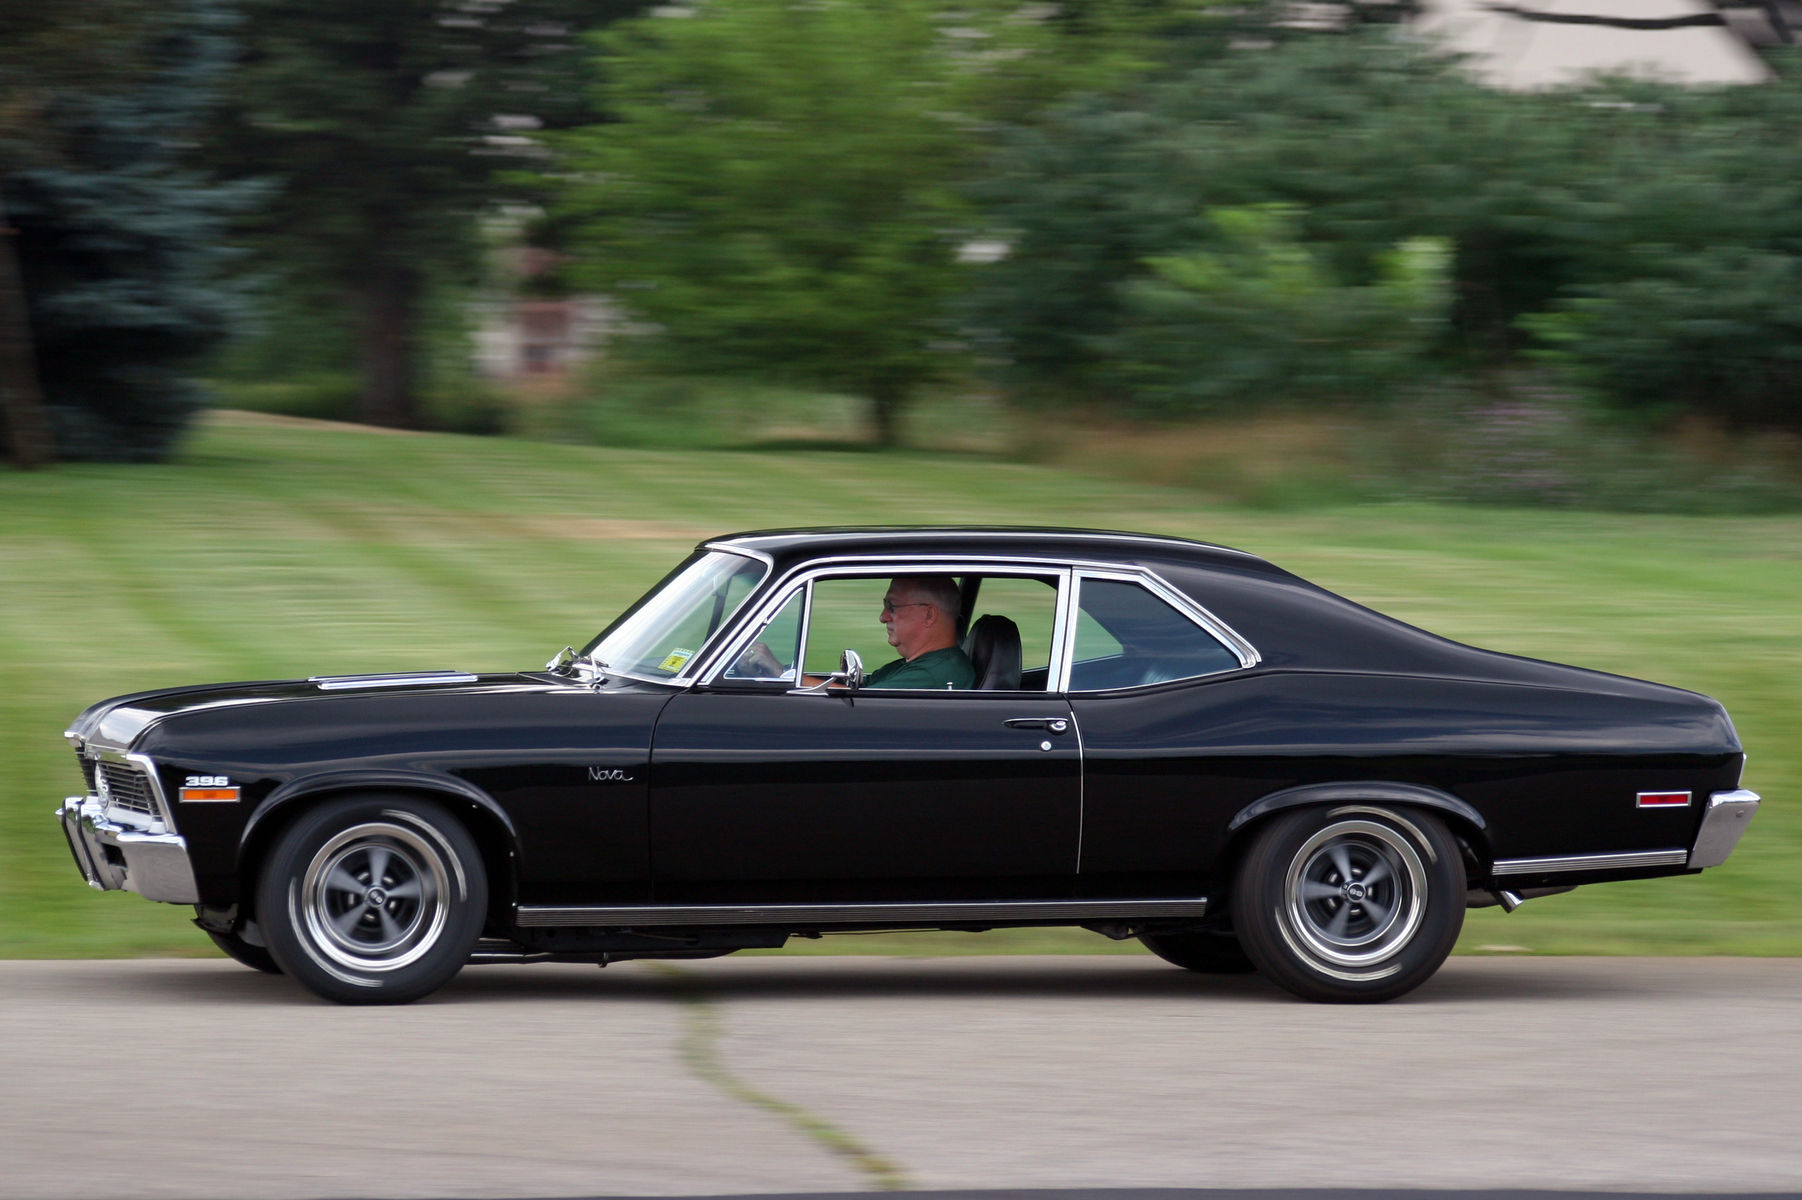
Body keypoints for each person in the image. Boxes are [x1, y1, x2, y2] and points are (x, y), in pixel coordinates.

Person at [863, 575, 975, 689]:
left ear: (929, 615)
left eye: (892, 607)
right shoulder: (924, 665)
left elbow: (857, 703)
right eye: (886, 605)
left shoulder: (929, 675)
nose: (883, 617)